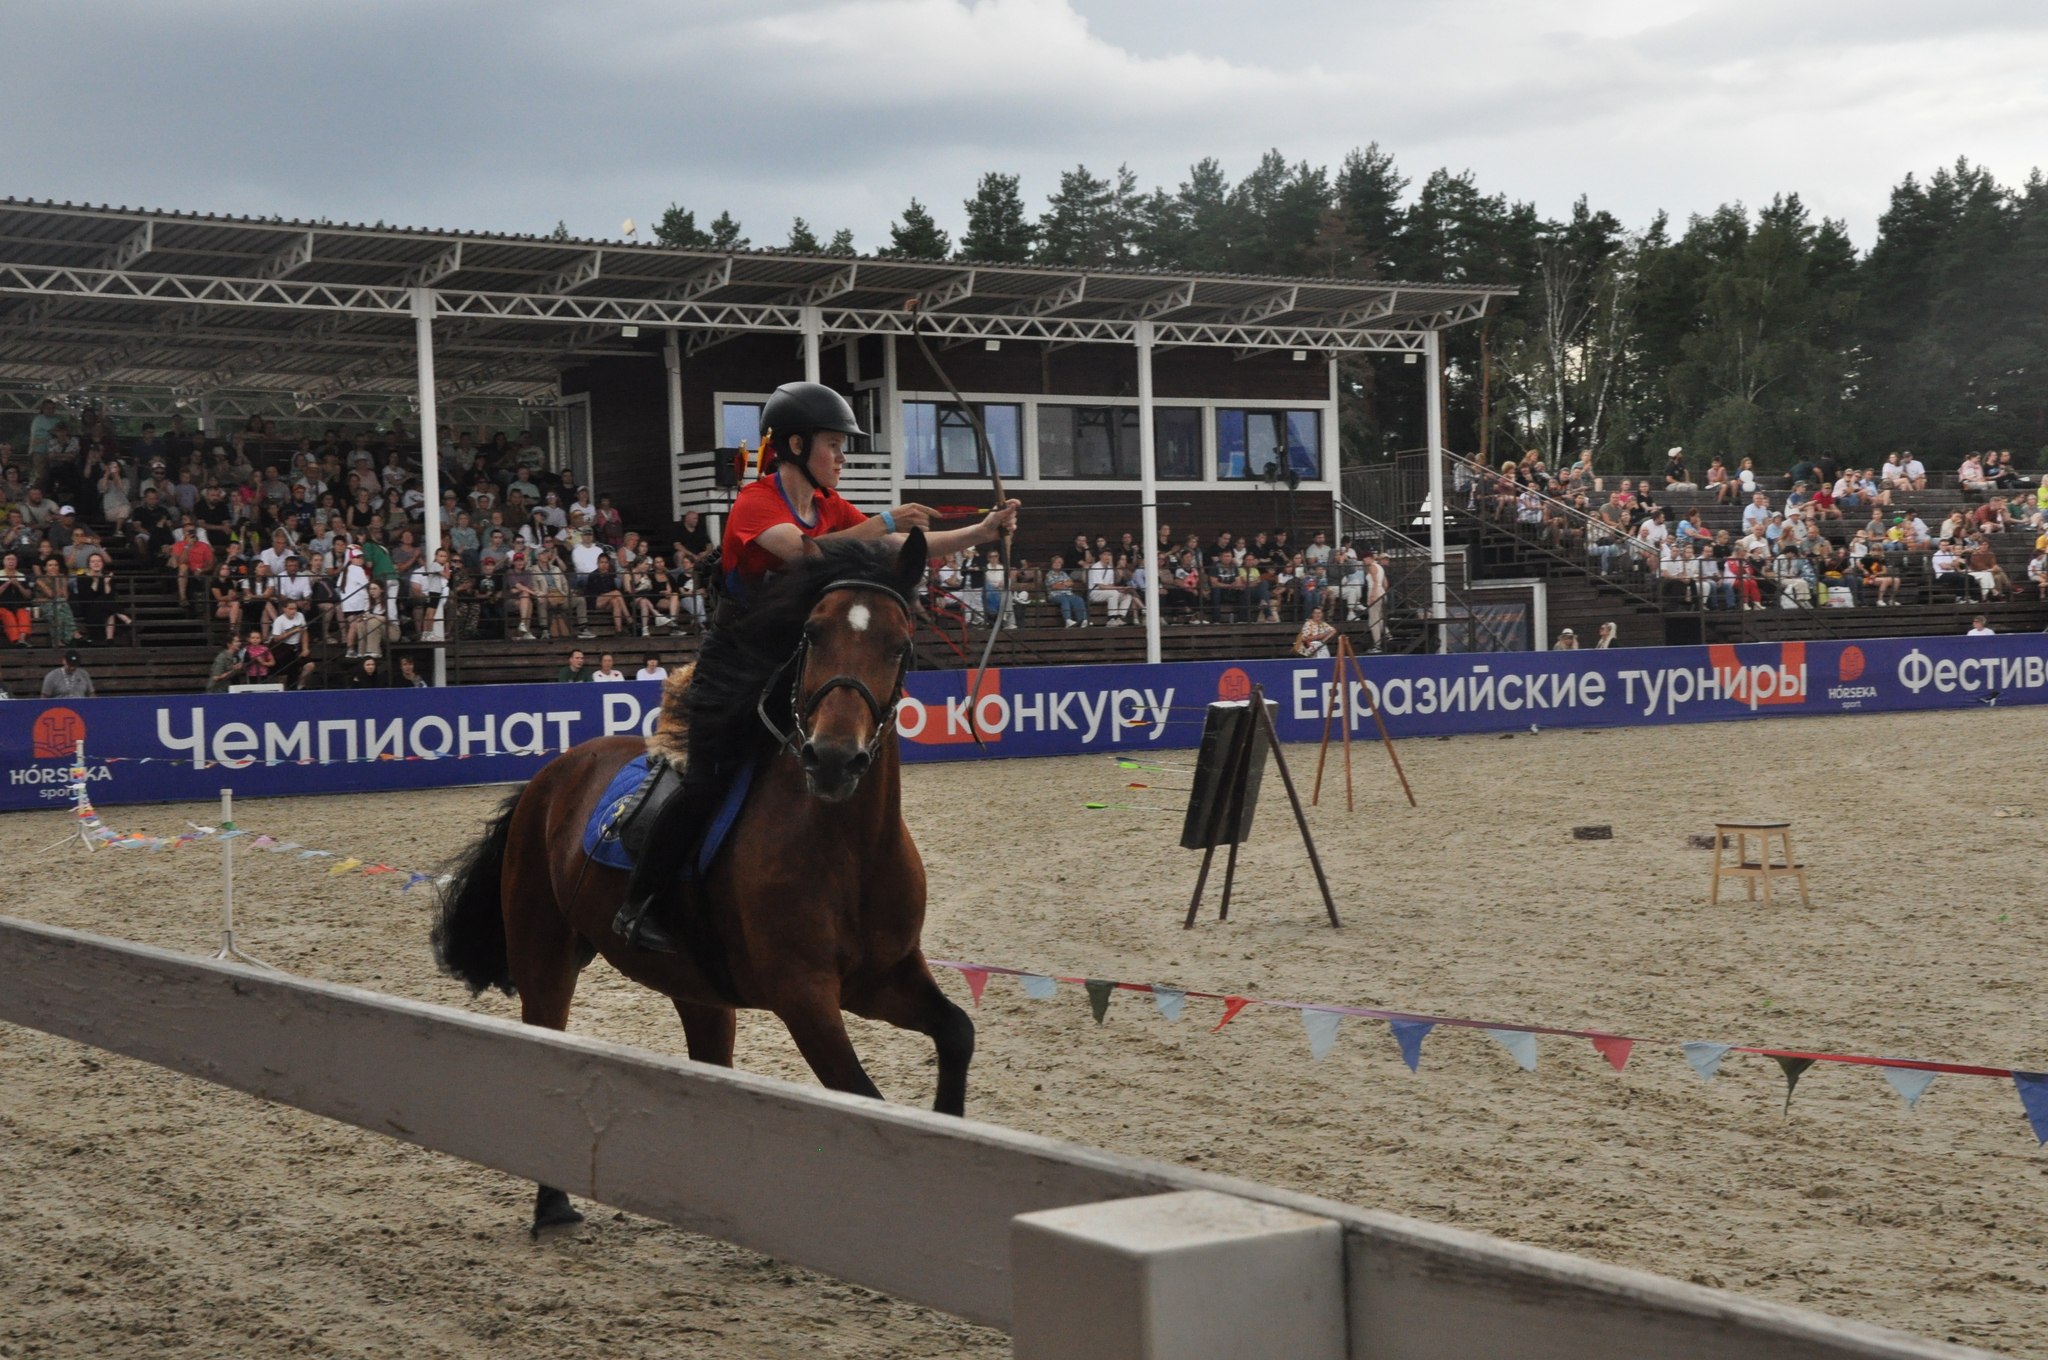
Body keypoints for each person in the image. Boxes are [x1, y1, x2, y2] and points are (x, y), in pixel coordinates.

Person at [616, 381, 1019, 953]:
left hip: (795, 658)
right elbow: (809, 552)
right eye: (834, 444)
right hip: (733, 665)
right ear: (798, 445)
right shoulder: (757, 501)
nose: (842, 456)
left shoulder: (831, 506)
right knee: (704, 780)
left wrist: (980, 532)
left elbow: (897, 546)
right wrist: (882, 519)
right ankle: (640, 903)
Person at [0, 551, 31, 647]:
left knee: (24, 613)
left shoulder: (22, 576)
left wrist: (18, 585)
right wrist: (7, 583)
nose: (11, 561)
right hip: (2, 606)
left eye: (13, 559)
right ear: (4, 562)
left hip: (19, 605)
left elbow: (28, 595)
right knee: (7, 615)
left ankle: (22, 640)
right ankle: (15, 640)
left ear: (16, 562)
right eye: (8, 559)